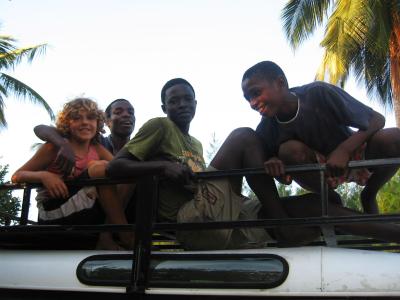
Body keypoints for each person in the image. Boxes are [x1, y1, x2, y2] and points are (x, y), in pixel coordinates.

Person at [107, 78, 400, 250]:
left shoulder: (194, 144)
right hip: (190, 220)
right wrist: (161, 168)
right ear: (164, 108)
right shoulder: (159, 126)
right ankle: (281, 224)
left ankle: (391, 235)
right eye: (174, 101)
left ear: (196, 104)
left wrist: (270, 161)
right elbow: (115, 168)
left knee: (314, 206)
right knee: (243, 137)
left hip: (221, 213)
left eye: (187, 99)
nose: (182, 104)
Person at [241, 61, 400, 214]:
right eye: (248, 99)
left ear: (280, 83)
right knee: (288, 151)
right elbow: (285, 179)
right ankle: (332, 201)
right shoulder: (266, 129)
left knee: (395, 137)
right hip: (322, 172)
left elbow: (377, 119)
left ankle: (369, 194)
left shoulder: (318, 93)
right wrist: (275, 165)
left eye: (256, 93)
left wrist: (344, 150)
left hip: (353, 151)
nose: (252, 103)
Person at [12, 98, 133, 250]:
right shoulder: (53, 148)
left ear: (98, 123)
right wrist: (44, 176)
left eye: (90, 118)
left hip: (85, 208)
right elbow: (17, 175)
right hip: (55, 210)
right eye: (77, 118)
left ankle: (106, 234)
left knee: (127, 175)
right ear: (67, 124)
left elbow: (120, 170)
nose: (84, 122)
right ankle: (126, 236)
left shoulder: (97, 148)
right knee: (98, 167)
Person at [34, 98, 135, 175]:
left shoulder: (141, 148)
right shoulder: (91, 140)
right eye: (118, 112)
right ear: (106, 121)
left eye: (131, 112)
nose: (126, 115)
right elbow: (40, 128)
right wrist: (63, 145)